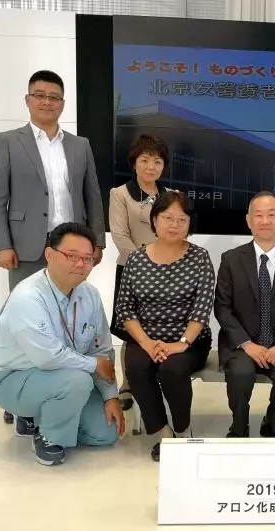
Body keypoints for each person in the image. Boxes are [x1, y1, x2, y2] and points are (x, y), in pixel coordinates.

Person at [0, 70, 106, 426]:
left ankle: (61, 386)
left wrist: (96, 240)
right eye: (40, 95)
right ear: (28, 100)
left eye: (54, 97)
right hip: (26, 245)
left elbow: (92, 195)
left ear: (63, 104)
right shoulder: (8, 141)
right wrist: (2, 244)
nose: (47, 102)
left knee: (67, 318)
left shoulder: (80, 145)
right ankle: (20, 397)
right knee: (22, 317)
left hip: (73, 247)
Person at [0, 223, 123, 466]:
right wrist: (93, 365)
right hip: (13, 379)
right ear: (49, 255)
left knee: (106, 433)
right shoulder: (28, 296)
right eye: (72, 256)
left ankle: (38, 416)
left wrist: (110, 396)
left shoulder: (90, 295)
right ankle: (48, 436)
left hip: (64, 379)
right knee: (77, 381)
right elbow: (47, 357)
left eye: (88, 258)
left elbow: (102, 349)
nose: (80, 264)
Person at [115, 191, 215, 461]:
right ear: (154, 220)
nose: (174, 224)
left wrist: (180, 344)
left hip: (189, 341)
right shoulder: (136, 259)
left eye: (182, 219)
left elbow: (202, 309)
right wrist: (147, 343)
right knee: (137, 367)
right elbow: (125, 309)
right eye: (168, 218)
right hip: (145, 337)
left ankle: (183, 431)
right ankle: (164, 434)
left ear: (189, 224)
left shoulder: (199, 257)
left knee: (172, 369)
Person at [214, 192, 275, 438]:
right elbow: (222, 307)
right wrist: (247, 344)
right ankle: (239, 426)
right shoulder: (231, 259)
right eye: (258, 215)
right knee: (240, 374)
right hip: (241, 345)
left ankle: (272, 423)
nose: (265, 221)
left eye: (271, 215)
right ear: (249, 221)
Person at [109, 134, 170, 411]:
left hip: (167, 272)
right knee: (131, 330)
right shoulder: (120, 194)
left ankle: (157, 377)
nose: (150, 167)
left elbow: (178, 230)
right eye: (145, 160)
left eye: (157, 161)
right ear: (134, 163)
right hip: (132, 271)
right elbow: (120, 235)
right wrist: (145, 265)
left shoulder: (171, 196)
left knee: (160, 326)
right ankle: (127, 383)